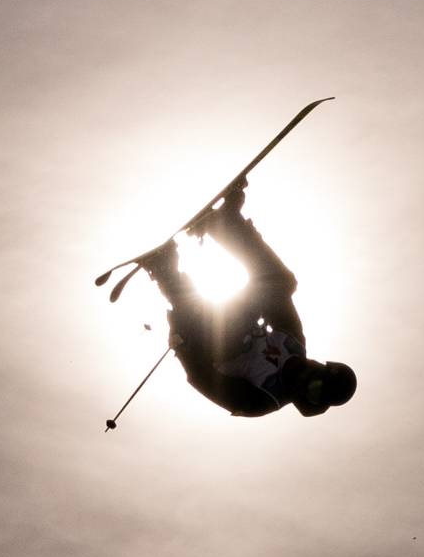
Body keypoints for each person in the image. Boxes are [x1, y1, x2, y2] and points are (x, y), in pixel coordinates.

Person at [131, 179, 356, 418]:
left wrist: (184, 346)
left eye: (313, 395)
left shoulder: (261, 400)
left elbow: (201, 378)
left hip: (202, 344)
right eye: (316, 383)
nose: (306, 384)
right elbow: (277, 298)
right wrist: (260, 294)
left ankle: (164, 268)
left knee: (230, 328)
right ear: (322, 367)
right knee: (282, 282)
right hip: (236, 320)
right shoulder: (294, 343)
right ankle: (226, 224)